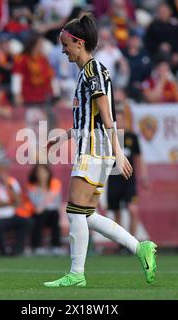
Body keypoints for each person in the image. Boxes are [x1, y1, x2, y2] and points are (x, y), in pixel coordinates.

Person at [43, 13, 157, 288]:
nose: (63, 50)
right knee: (87, 215)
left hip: (96, 149)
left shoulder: (93, 70)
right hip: (95, 147)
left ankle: (76, 274)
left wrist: (118, 151)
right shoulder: (89, 71)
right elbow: (89, 116)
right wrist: (64, 136)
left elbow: (106, 113)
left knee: (73, 212)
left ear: (79, 43)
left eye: (66, 45)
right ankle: (139, 247)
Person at [107, 109, 149, 249]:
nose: (119, 122)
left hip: (129, 179)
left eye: (121, 119)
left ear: (125, 120)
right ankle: (121, 244)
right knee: (117, 213)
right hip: (113, 178)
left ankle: (132, 243)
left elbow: (139, 157)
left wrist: (144, 175)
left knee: (133, 210)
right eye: (116, 120)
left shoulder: (131, 137)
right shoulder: (110, 137)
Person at [27, 164, 64, 255]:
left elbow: (56, 201)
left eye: (43, 172)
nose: (41, 175)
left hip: (51, 213)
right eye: (39, 172)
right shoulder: (32, 186)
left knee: (54, 214)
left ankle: (56, 245)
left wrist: (43, 205)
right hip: (37, 214)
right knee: (40, 216)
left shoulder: (55, 183)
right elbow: (35, 203)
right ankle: (37, 246)